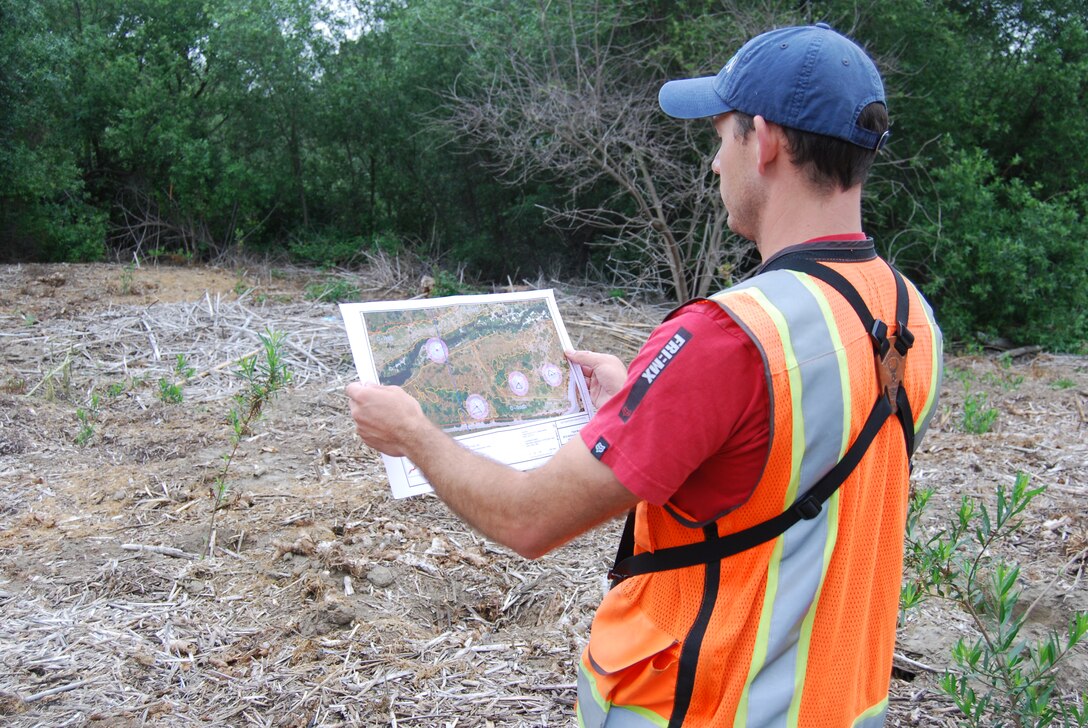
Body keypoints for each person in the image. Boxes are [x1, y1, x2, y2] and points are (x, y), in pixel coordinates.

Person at [347, 23, 943, 728]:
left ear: (768, 141)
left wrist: (414, 433)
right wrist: (655, 401)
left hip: (704, 708)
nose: (716, 164)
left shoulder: (726, 336)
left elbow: (529, 519)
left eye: (722, 138)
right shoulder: (910, 316)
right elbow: (783, 462)